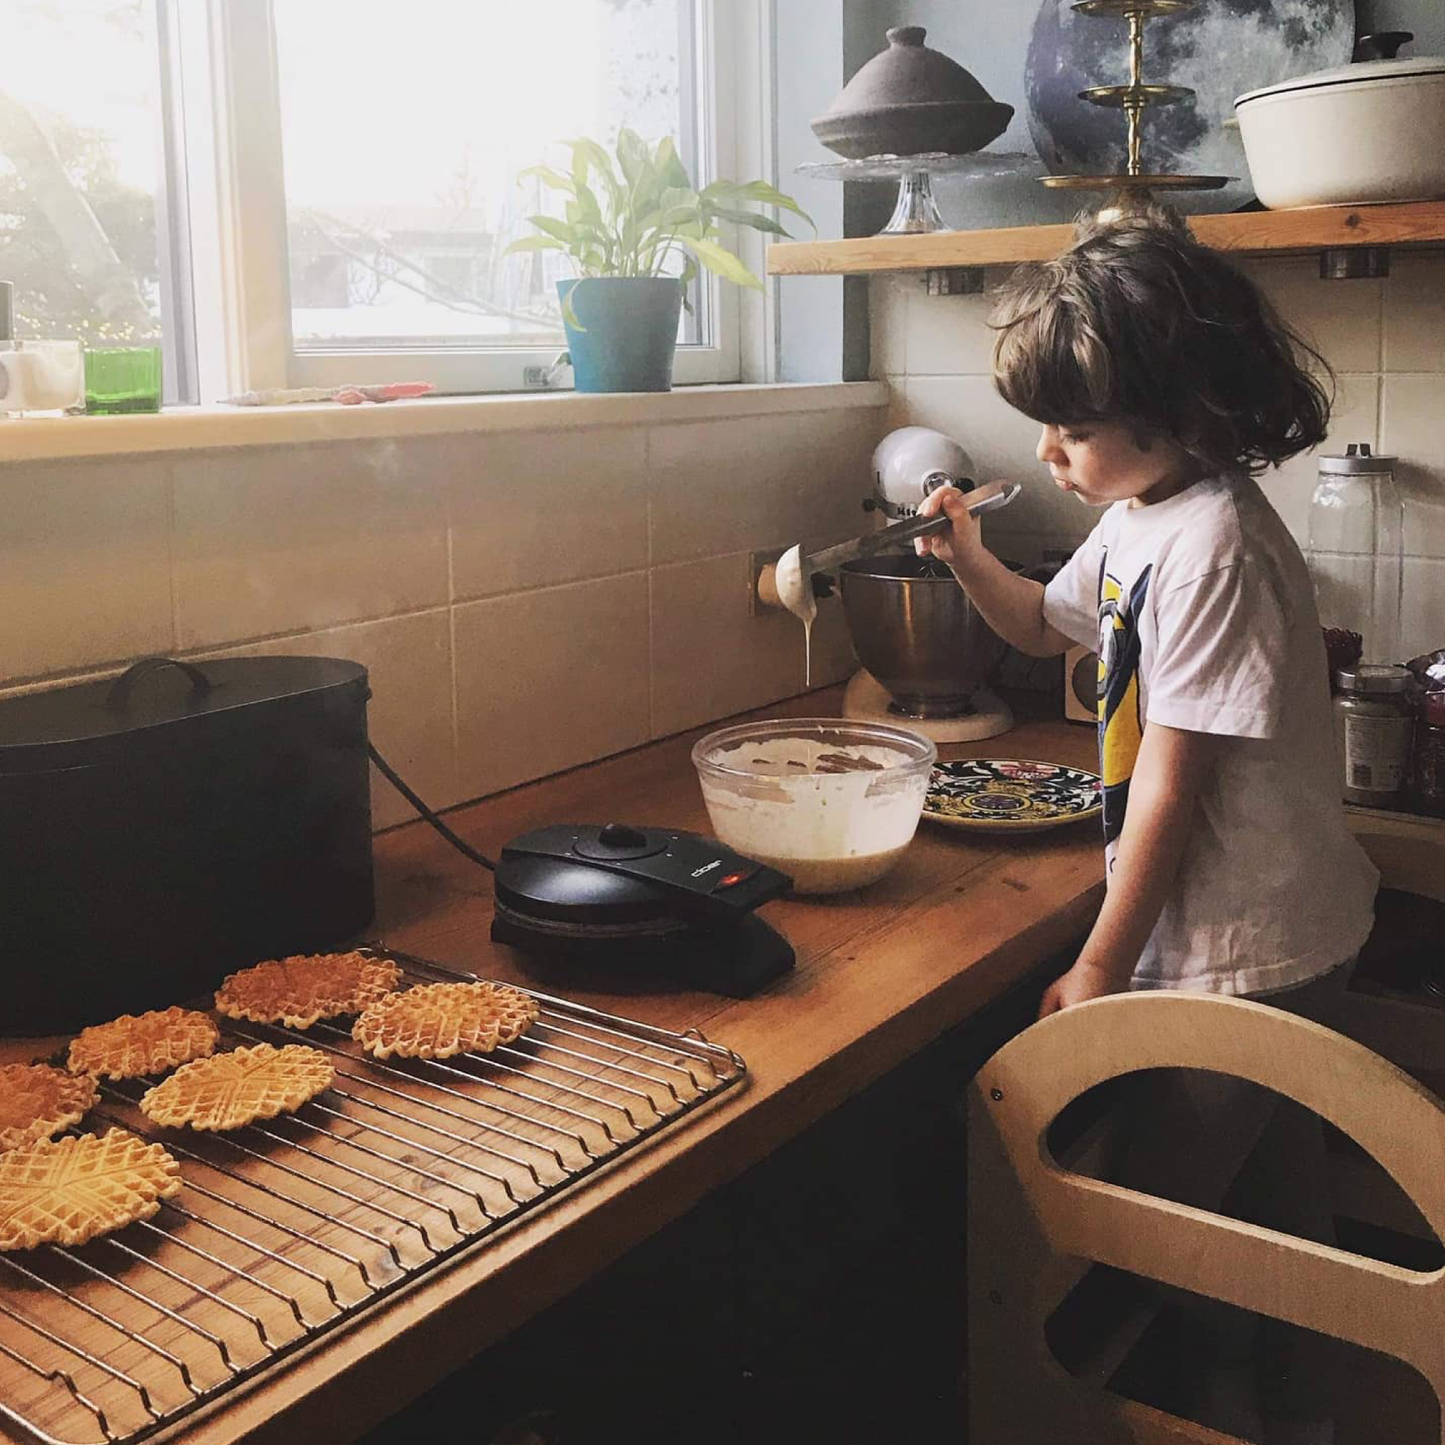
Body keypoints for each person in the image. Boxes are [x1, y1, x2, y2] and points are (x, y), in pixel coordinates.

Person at [916, 206, 1379, 1443]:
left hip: (1250, 952)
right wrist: (962, 550)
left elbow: (1168, 786)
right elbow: (1034, 626)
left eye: (1073, 429)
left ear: (1181, 412)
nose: (1050, 451)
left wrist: (1099, 964)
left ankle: (1180, 1407)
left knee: (1154, 1221)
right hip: (1253, 934)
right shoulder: (1138, 518)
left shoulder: (1213, 541)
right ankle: (1295, 1409)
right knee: (1268, 1216)